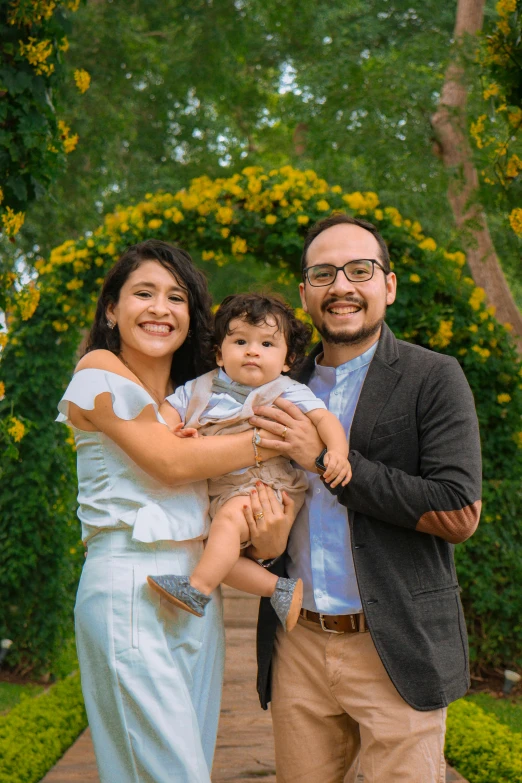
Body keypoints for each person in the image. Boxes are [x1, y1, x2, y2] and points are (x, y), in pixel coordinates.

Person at [250, 214, 482, 783]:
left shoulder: (433, 376)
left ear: (389, 285)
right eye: (324, 273)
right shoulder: (279, 387)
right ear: (305, 293)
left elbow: (458, 511)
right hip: (298, 642)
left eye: (360, 269)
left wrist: (328, 464)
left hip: (397, 643)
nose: (342, 286)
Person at [56, 240, 295, 783]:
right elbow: (169, 463)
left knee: (184, 764)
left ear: (194, 318)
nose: (161, 308)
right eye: (144, 293)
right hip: (130, 588)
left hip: (194, 596)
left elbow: (237, 516)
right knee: (172, 774)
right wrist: (282, 440)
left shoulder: (203, 404)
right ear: (112, 310)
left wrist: (272, 535)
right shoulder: (100, 370)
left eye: (177, 297)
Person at [147, 293, 350, 631]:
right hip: (220, 489)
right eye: (240, 341)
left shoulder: (286, 390)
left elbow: (324, 419)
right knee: (211, 549)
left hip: (265, 484)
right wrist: (174, 433)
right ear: (219, 353)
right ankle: (278, 588)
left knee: (226, 526)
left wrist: (337, 452)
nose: (253, 350)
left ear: (288, 360)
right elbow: (167, 413)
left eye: (268, 344)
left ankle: (197, 590)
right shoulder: (200, 387)